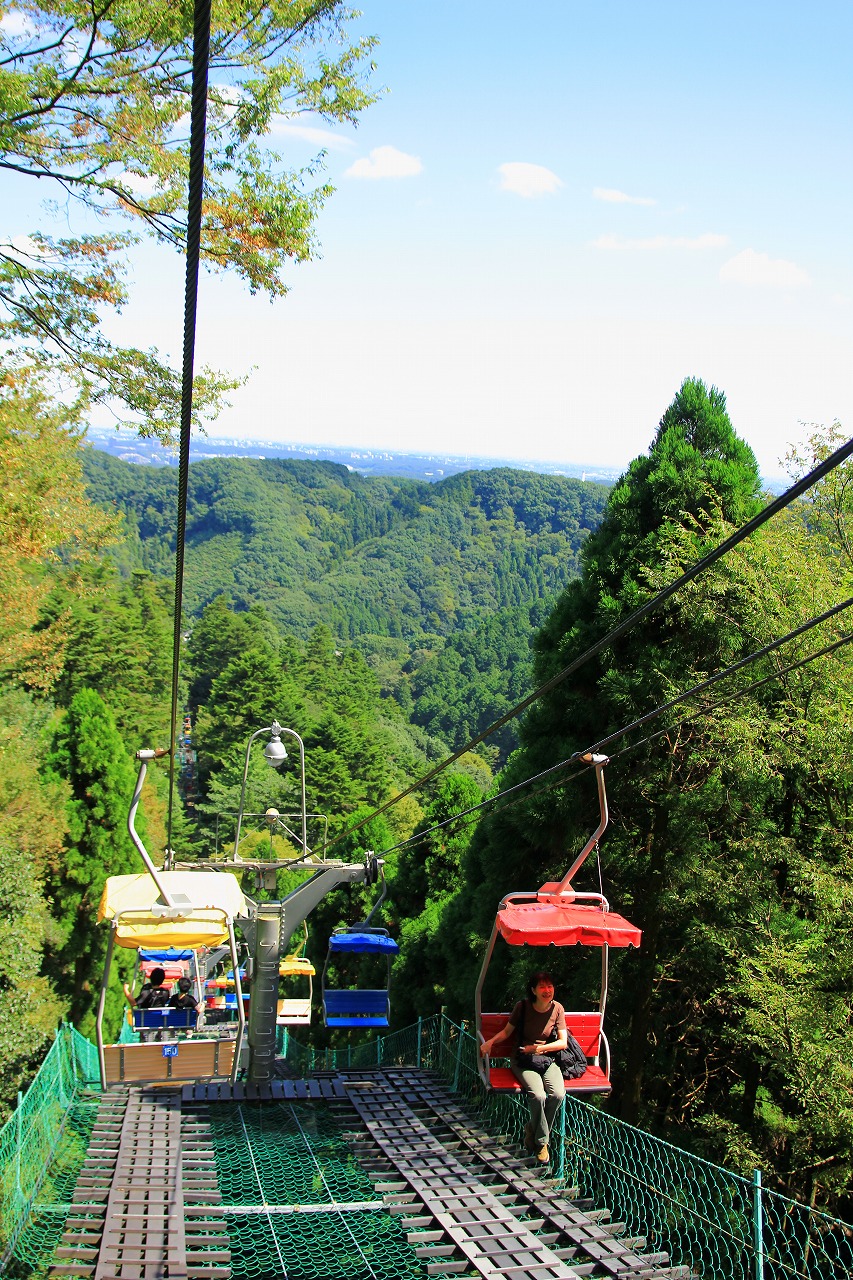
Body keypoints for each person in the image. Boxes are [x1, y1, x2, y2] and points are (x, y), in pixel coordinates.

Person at [479, 970, 567, 1164]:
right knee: (538, 1095)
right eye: (542, 987)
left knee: (558, 1094)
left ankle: (532, 1129)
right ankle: (542, 1142)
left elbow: (562, 1043)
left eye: (550, 986)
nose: (547, 990)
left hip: (546, 1059)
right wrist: (490, 1043)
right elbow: (507, 1031)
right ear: (533, 990)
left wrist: (539, 1048)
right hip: (523, 1059)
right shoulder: (523, 1007)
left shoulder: (557, 1009)